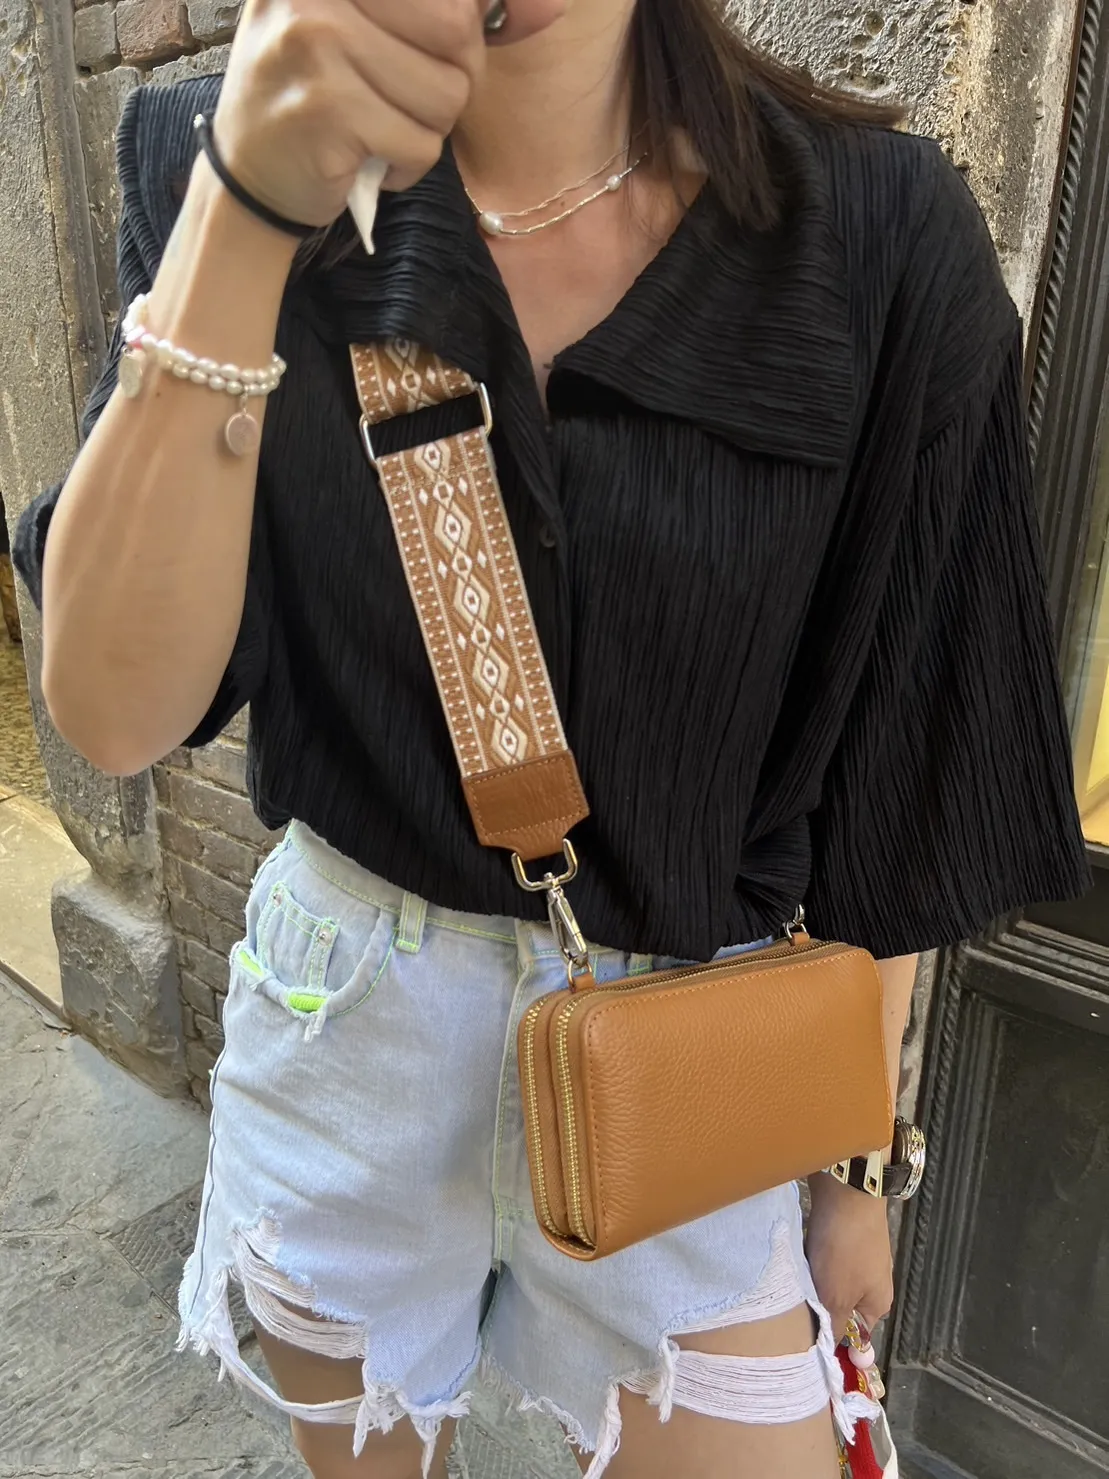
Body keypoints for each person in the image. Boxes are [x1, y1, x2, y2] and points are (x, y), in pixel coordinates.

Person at [14, 0, 1090, 1475]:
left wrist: (856, 1170)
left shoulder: (877, 235)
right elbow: (115, 713)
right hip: (352, 1028)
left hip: (696, 1062)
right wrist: (244, 212)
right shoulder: (213, 158)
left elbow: (901, 777)